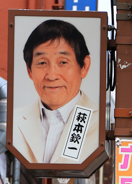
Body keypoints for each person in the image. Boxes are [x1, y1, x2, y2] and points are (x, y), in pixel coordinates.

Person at [13, 18, 99, 164]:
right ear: (29, 70)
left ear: (84, 66)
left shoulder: (100, 123)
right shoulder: (13, 120)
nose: (52, 75)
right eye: (42, 63)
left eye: (63, 62)